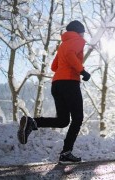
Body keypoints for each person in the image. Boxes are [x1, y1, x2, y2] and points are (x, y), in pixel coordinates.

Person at [17, 20, 90, 164]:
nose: (83, 34)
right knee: (78, 118)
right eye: (83, 31)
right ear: (78, 31)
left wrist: (67, 69)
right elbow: (70, 55)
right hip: (69, 83)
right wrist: (82, 71)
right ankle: (66, 153)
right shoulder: (78, 40)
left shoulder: (63, 44)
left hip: (57, 84)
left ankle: (33, 122)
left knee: (63, 121)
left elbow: (54, 66)